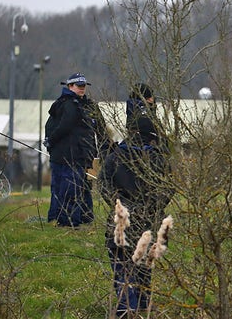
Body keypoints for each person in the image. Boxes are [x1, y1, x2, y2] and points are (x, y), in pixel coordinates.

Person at [99, 84, 173, 317]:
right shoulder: (158, 159)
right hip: (148, 224)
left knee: (122, 272)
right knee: (143, 272)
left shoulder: (115, 156)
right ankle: (141, 310)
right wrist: (154, 207)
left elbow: (102, 184)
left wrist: (117, 203)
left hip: (121, 224)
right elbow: (168, 188)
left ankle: (125, 312)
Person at [44, 72, 110, 227]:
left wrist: (106, 149)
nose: (82, 89)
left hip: (84, 156)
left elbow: (100, 129)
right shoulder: (64, 105)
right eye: (78, 86)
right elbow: (56, 127)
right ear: (69, 86)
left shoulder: (90, 106)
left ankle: (85, 219)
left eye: (84, 86)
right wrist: (50, 142)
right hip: (65, 156)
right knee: (66, 189)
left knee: (83, 188)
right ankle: (66, 222)